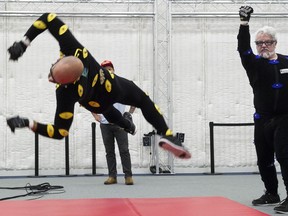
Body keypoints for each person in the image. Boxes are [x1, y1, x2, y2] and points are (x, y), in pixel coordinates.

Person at [6, 13, 191, 160]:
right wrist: (23, 44)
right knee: (142, 100)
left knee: (110, 113)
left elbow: (60, 132)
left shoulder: (65, 93)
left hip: (98, 104)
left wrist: (27, 123)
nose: (50, 78)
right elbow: (48, 18)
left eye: (51, 75)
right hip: (114, 86)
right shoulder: (73, 49)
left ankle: (128, 125)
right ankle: (165, 133)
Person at [238, 6, 288, 214]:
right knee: (264, 159)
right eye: (259, 43)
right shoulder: (254, 64)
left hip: (285, 118)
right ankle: (271, 193)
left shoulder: (287, 62)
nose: (263, 46)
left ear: (275, 43)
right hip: (262, 119)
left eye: (267, 42)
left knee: (285, 156)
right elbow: (243, 49)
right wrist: (244, 23)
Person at [92, 60, 135, 185]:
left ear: (113, 70)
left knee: (124, 150)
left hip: (120, 124)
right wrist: (95, 115)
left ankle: (128, 176)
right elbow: (88, 102)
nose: (108, 71)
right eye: (105, 69)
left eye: (110, 68)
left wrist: (129, 114)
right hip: (105, 125)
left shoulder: (121, 85)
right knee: (109, 152)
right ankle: (112, 176)